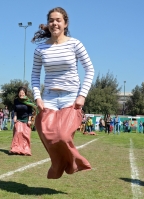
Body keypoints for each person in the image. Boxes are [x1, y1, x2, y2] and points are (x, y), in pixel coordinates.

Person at [31, 7, 94, 179]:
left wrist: (82, 95)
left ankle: (74, 163)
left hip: (70, 96)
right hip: (49, 96)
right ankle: (57, 163)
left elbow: (90, 69)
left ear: (65, 23)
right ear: (48, 24)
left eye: (58, 20)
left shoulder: (75, 44)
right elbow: (35, 75)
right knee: (45, 132)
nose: (54, 23)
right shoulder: (40, 50)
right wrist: (37, 97)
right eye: (51, 20)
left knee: (63, 135)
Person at [9, 87, 34, 156]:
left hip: (26, 119)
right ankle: (15, 149)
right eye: (20, 93)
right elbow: (15, 110)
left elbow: (30, 112)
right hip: (18, 119)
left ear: (25, 93)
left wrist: (29, 120)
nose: (21, 94)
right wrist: (15, 116)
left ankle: (26, 150)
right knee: (17, 133)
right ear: (18, 93)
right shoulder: (16, 101)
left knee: (26, 135)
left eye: (23, 93)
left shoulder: (29, 101)